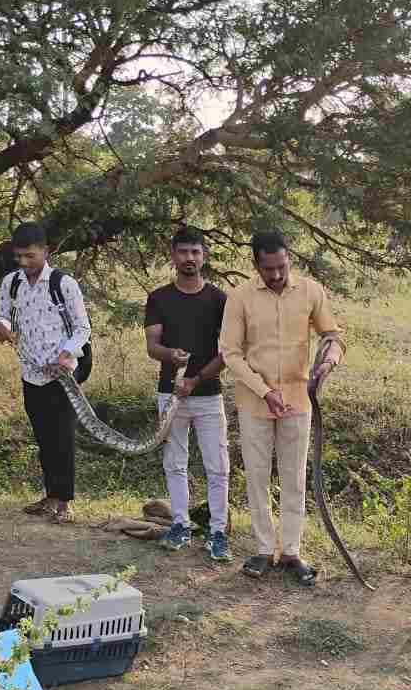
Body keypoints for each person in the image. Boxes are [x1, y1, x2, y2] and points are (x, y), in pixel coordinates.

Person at [220, 230, 344, 586]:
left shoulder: (311, 291)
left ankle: (291, 551)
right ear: (255, 264)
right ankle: (262, 550)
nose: (276, 275)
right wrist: (263, 390)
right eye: (268, 269)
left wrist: (329, 362)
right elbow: (230, 353)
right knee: (257, 477)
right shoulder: (240, 297)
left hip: (298, 400)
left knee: (294, 476)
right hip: (254, 401)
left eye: (281, 267)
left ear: (289, 258)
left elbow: (333, 335)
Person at [0, 222, 91, 524]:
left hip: (63, 374)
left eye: (30, 256)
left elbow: (83, 328)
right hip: (31, 372)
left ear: (46, 252)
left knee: (62, 438)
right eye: (18, 256)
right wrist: (0, 327)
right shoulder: (12, 282)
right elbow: (2, 315)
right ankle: (50, 497)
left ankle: (65, 504)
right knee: (44, 437)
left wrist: (66, 354)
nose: (24, 262)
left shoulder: (63, 283)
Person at [143, 228, 231, 561]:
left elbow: (228, 352)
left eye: (195, 252)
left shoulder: (219, 299)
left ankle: (219, 531)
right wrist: (171, 356)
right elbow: (153, 346)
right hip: (170, 395)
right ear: (173, 256)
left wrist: (194, 379)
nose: (189, 258)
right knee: (174, 463)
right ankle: (180, 525)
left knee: (217, 466)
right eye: (183, 252)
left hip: (208, 394)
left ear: (203, 255)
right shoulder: (159, 298)